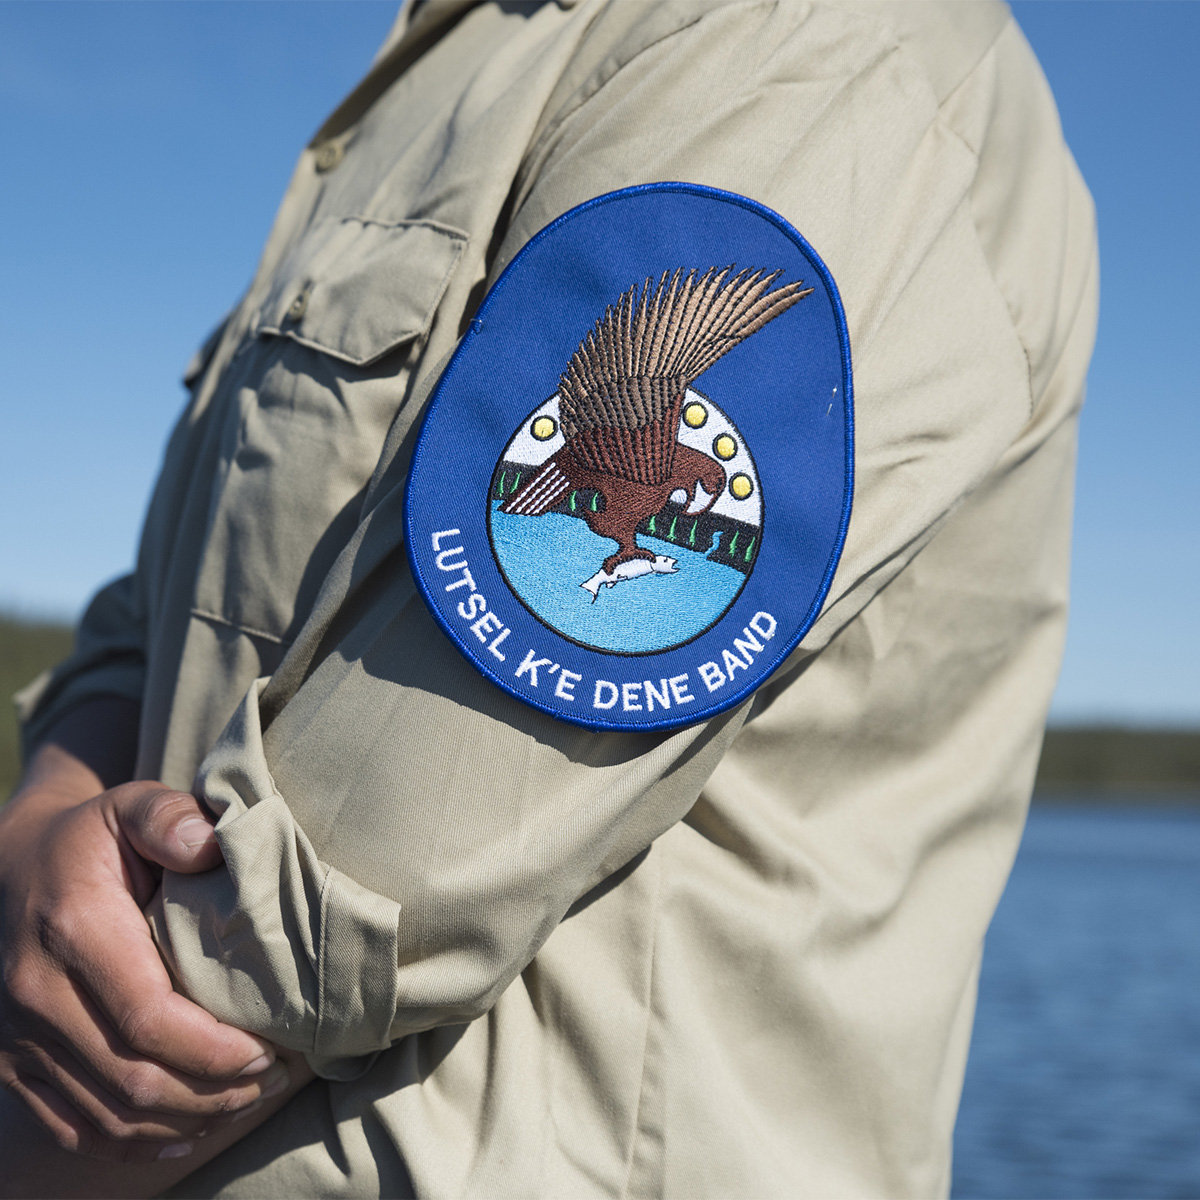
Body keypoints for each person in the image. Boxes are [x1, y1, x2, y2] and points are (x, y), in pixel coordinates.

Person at [0, 0, 1098, 1195]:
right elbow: (168, 595)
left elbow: (341, 909)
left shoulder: (801, 50)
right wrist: (49, 802)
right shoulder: (460, 60)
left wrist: (40, 1108)